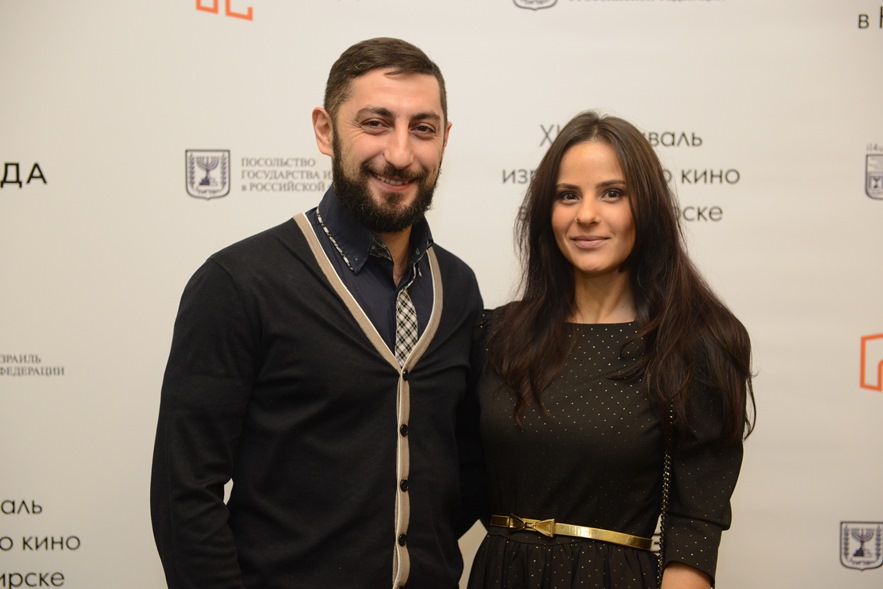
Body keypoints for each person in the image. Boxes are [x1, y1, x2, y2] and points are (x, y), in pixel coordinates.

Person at [150, 37, 484, 589]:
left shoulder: (459, 289)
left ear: (445, 138)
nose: (401, 153)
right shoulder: (239, 283)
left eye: (423, 129)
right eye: (375, 123)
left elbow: (464, 468)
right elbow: (184, 493)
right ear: (326, 131)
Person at [467, 111, 755, 589]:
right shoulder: (495, 333)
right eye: (568, 195)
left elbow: (693, 532)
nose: (586, 215)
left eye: (612, 193)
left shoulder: (698, 344)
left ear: (647, 207)